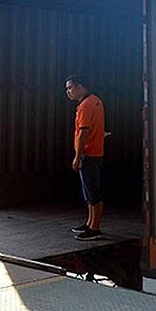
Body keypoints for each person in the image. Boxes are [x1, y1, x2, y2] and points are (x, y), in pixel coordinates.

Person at [65, 74, 105, 241]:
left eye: (70, 88)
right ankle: (90, 223)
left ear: (80, 87)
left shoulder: (85, 106)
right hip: (96, 152)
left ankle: (95, 228)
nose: (68, 92)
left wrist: (77, 156)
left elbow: (83, 132)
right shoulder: (96, 101)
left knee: (92, 192)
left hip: (88, 154)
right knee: (90, 190)